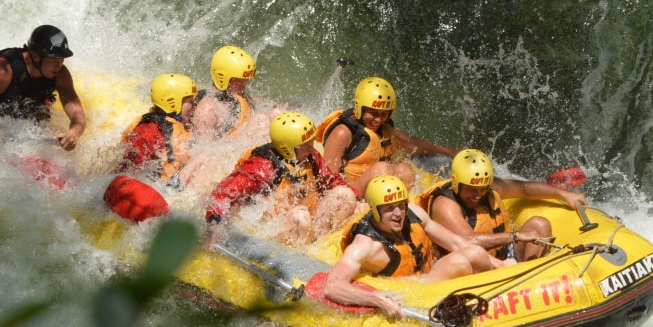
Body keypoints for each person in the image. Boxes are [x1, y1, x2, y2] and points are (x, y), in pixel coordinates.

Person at [323, 175, 508, 317]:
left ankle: (498, 292)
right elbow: (332, 286)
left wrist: (501, 265)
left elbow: (456, 242)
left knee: (474, 252)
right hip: (412, 292)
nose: (398, 214)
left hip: (428, 277)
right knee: (460, 263)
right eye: (389, 209)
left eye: (401, 206)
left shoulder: (414, 213)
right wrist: (375, 299)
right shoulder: (365, 245)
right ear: (375, 211)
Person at [204, 111, 361, 247]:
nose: (312, 148)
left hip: (308, 219)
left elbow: (331, 180)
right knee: (301, 216)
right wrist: (214, 225)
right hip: (278, 229)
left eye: (312, 142)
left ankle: (317, 243)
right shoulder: (262, 167)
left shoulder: (310, 156)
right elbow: (224, 194)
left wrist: (358, 199)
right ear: (288, 148)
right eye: (306, 145)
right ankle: (302, 254)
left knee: (345, 194)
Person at [416, 149, 587, 262]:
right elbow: (467, 241)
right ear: (457, 184)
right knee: (474, 254)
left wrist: (564, 195)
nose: (478, 195)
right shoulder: (445, 204)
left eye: (483, 189)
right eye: (472, 190)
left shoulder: (489, 188)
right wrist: (515, 236)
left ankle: (530, 279)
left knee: (539, 225)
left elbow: (524, 189)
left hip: (504, 254)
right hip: (472, 266)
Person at [0, 25, 87, 151]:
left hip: (24, 114)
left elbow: (78, 115)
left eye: (62, 59)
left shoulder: (60, 75)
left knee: (43, 116)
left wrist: (73, 134)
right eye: (54, 60)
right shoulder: (2, 72)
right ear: (35, 56)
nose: (59, 65)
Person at [316, 76, 458, 194]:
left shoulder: (385, 129)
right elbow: (327, 179)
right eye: (373, 113)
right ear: (360, 108)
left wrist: (449, 151)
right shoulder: (343, 132)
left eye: (384, 114)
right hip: (352, 192)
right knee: (382, 169)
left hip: (381, 191)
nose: (378, 119)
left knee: (405, 170)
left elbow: (411, 143)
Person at [103, 73, 201, 223]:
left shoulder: (181, 124)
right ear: (171, 102)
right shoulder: (149, 130)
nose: (194, 106)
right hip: (161, 189)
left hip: (173, 186)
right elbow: (129, 167)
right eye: (189, 101)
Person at [191, 45, 278, 141]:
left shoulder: (235, 94)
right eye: (239, 81)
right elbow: (205, 148)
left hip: (243, 139)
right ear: (223, 78)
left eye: (246, 80)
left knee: (277, 113)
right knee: (261, 120)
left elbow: (260, 102)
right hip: (229, 149)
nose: (245, 84)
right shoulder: (207, 109)